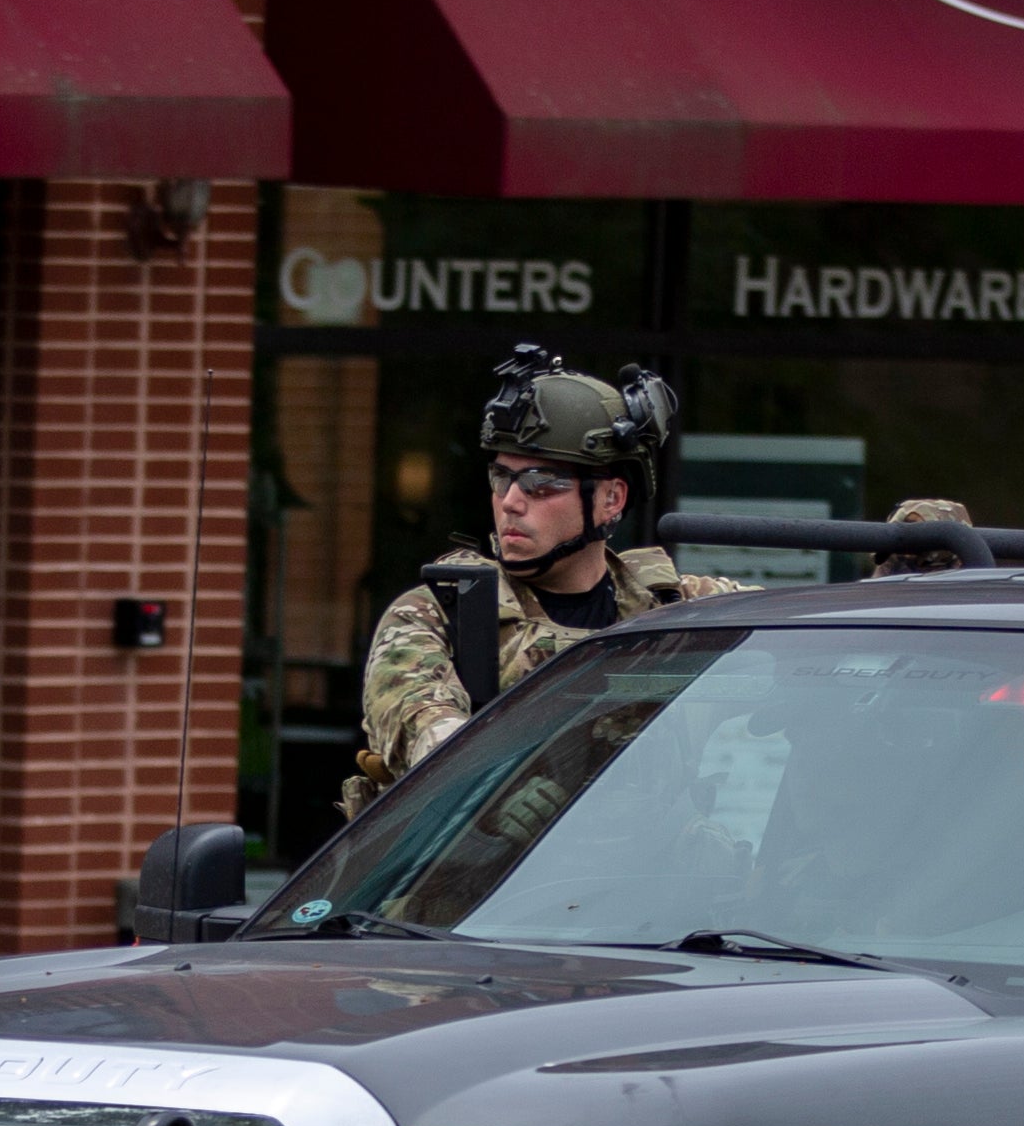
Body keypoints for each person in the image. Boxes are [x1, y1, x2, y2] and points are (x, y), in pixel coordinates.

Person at [345, 343, 971, 818]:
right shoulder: (440, 616)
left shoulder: (678, 611)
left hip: (640, 916)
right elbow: (436, 749)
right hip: (463, 918)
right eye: (502, 478)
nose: (512, 501)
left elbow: (824, 638)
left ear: (611, 499)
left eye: (542, 484)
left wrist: (903, 575)